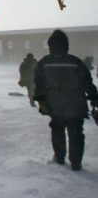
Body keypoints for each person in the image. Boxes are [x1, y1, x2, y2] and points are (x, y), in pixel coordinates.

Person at [34, 29, 98, 171]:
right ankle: (76, 162)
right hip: (76, 105)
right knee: (76, 133)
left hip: (54, 105)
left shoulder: (44, 62)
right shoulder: (75, 62)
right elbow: (87, 81)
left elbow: (38, 84)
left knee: (57, 130)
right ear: (66, 45)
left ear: (50, 46)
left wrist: (41, 100)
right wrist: (94, 96)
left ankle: (60, 157)